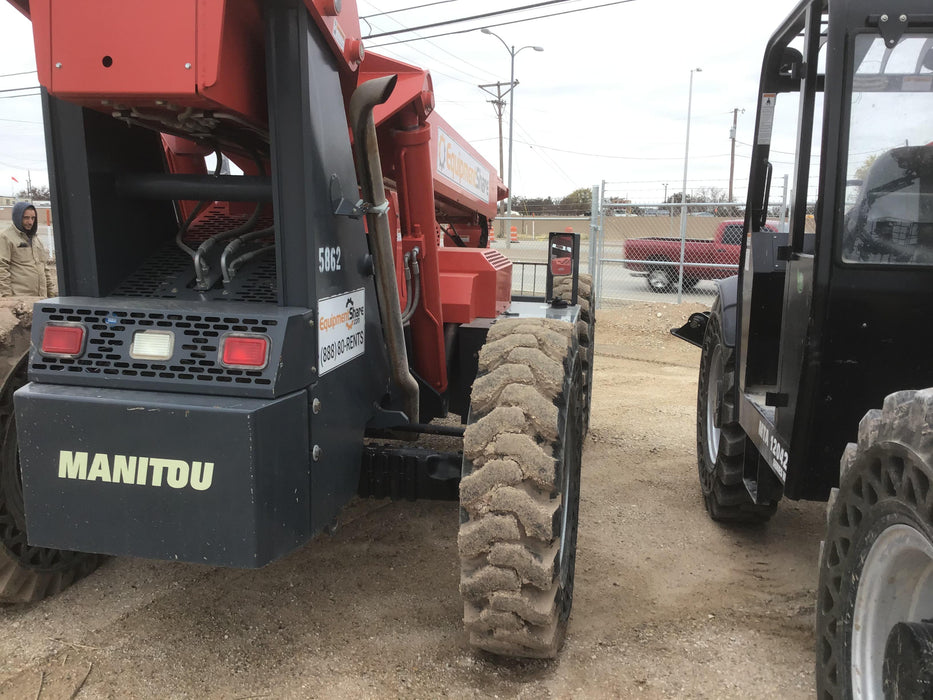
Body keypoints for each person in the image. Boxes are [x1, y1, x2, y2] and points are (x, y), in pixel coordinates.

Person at [0, 201, 57, 297]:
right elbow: (2, 269)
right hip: (20, 301)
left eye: (33, 218)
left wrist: (51, 295)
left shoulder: (36, 240)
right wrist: (8, 299)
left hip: (40, 299)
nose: (30, 222)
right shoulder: (5, 237)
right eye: (26, 218)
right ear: (17, 217)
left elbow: (45, 269)